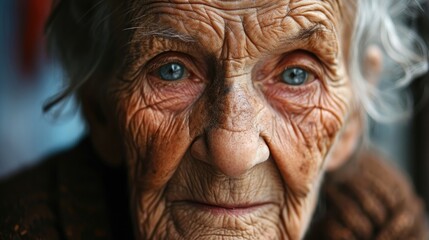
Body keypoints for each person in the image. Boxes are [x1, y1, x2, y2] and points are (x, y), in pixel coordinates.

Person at [1, 0, 428, 239]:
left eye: (296, 76)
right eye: (171, 70)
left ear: (352, 116)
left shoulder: (383, 226)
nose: (233, 151)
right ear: (99, 108)